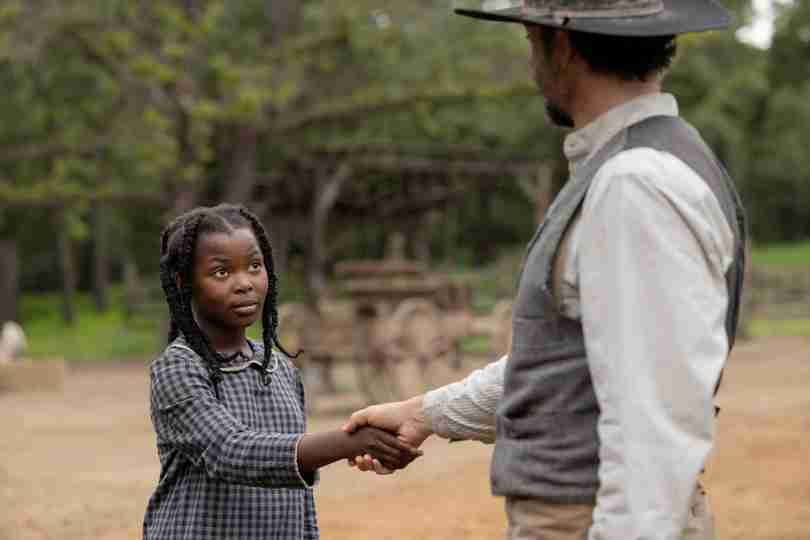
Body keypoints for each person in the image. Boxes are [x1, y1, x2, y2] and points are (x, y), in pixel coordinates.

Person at [344, 1, 748, 539]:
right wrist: (426, 412)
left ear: (557, 44)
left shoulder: (635, 184)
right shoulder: (632, 167)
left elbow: (656, 427)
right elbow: (571, 365)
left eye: (530, 40)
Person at [143, 204, 419, 539]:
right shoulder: (179, 368)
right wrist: (349, 441)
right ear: (183, 281)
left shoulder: (279, 368)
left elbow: (298, 492)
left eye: (255, 266)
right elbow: (231, 451)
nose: (244, 283)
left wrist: (363, 445)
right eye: (221, 272)